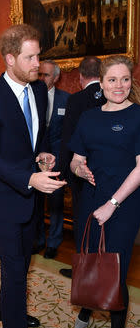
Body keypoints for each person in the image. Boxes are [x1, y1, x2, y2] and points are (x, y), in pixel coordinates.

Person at [0, 24, 66, 328]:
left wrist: (41, 155)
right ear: (10, 58)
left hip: (33, 196)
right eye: (30, 57)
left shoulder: (40, 90)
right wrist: (29, 177)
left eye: (38, 55)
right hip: (6, 200)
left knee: (24, 263)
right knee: (15, 274)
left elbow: (37, 137)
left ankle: (5, 309)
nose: (37, 63)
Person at [69, 55, 140, 328]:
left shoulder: (138, 115)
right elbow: (75, 159)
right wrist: (80, 170)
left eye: (125, 79)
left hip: (123, 203)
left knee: (116, 268)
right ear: (101, 81)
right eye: (113, 79)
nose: (119, 86)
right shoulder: (88, 118)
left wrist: (112, 204)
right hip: (91, 198)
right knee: (90, 256)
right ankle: (88, 305)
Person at [59, 56, 106, 277]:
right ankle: (106, 270)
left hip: (81, 170)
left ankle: (82, 271)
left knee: (82, 221)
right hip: (108, 171)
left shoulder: (76, 100)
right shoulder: (112, 95)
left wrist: (63, 171)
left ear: (80, 77)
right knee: (105, 221)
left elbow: (68, 138)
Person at [32, 60, 70, 259]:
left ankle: (53, 242)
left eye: (46, 75)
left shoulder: (67, 100)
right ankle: (38, 240)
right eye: (39, 74)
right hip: (36, 159)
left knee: (56, 204)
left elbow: (69, 133)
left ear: (55, 78)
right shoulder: (30, 98)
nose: (41, 79)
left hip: (57, 160)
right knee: (36, 203)